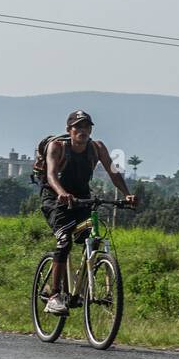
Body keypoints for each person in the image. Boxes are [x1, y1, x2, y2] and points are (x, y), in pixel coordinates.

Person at [36, 110, 138, 316]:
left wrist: (127, 194)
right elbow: (51, 174)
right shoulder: (58, 147)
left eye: (86, 127)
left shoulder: (97, 148)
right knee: (64, 241)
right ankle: (54, 295)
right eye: (78, 127)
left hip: (82, 198)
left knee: (92, 235)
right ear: (69, 130)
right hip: (55, 199)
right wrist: (62, 193)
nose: (82, 131)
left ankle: (78, 281)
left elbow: (113, 173)